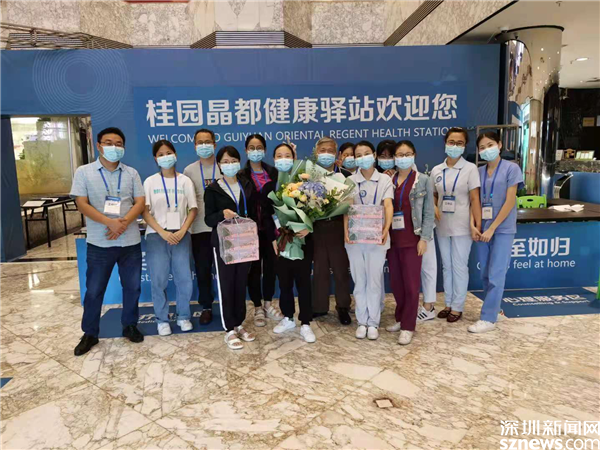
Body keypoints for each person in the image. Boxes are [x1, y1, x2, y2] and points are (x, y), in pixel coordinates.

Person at [70, 127, 145, 356]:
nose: (114, 147)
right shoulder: (84, 172)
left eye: (119, 143)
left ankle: (130, 325)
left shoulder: (131, 173)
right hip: (99, 242)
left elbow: (140, 202)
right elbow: (81, 203)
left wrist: (123, 223)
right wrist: (109, 222)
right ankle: (90, 333)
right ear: (99, 145)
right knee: (94, 290)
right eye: (109, 143)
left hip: (129, 241)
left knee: (132, 287)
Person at [204, 146, 262, 349]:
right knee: (226, 284)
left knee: (240, 283)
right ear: (219, 165)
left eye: (233, 160)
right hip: (224, 243)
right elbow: (208, 219)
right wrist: (222, 214)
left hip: (244, 241)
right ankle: (228, 329)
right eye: (225, 162)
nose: (230, 165)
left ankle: (238, 324)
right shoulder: (212, 189)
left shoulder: (246, 185)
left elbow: (254, 212)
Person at [468, 131, 523, 334]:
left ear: (499, 145)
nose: (486, 150)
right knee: (485, 273)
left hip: (502, 229)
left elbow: (510, 201)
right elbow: (473, 200)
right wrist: (473, 225)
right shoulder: (478, 171)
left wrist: (492, 228)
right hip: (482, 229)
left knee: (496, 273)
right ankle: (495, 308)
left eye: (490, 145)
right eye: (482, 147)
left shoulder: (511, 168)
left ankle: (488, 318)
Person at [142, 140, 198, 336]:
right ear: (155, 158)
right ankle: (162, 320)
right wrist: (162, 232)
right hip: (157, 235)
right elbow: (145, 211)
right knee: (158, 280)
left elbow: (193, 209)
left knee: (184, 279)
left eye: (168, 153)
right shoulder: (150, 182)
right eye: (161, 154)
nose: (165, 157)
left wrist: (183, 230)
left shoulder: (185, 181)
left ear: (175, 155)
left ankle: (183, 316)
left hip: (181, 234)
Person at [379, 139, 438, 324]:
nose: (403, 158)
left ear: (414, 156)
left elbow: (428, 212)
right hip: (393, 238)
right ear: (394, 157)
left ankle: (408, 326)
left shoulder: (423, 180)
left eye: (407, 154)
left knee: (412, 284)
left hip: (413, 238)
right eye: (400, 155)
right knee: (397, 283)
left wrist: (424, 238)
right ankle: (401, 319)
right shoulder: (388, 180)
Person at [429, 128, 481, 323]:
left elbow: (475, 199)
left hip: (462, 225)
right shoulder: (437, 170)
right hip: (442, 224)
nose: (454, 146)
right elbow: (434, 194)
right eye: (451, 142)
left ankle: (458, 306)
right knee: (447, 266)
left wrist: (476, 224)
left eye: (459, 143)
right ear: (445, 143)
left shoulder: (470, 169)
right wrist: (434, 205)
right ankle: (448, 303)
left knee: (459, 266)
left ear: (465, 146)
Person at [344, 141, 393, 340]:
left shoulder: (384, 180)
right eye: (358, 155)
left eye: (366, 153)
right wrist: (346, 231)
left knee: (374, 281)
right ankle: (361, 321)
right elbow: (347, 208)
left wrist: (385, 229)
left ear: (373, 155)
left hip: (377, 238)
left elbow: (388, 206)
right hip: (355, 239)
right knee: (359, 281)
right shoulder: (350, 181)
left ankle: (373, 322)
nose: (363, 157)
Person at [271, 143, 317, 343]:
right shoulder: (270, 184)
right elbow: (267, 215)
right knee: (284, 283)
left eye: (287, 155)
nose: (283, 159)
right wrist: (272, 238)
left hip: (302, 240)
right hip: (281, 241)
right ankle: (288, 317)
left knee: (304, 283)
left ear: (294, 157)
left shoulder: (306, 183)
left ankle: (306, 322)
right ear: (274, 159)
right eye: (279, 156)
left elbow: (317, 209)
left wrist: (309, 227)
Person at [242, 134, 284, 327]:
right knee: (253, 269)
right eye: (251, 147)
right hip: (249, 231)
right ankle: (257, 306)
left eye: (259, 147)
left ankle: (268, 302)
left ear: (265, 150)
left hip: (271, 229)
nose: (255, 151)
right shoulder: (241, 175)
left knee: (271, 267)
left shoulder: (274, 172)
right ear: (246, 151)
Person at [312, 136, 352, 325]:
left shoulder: (346, 175)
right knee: (319, 269)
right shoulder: (309, 175)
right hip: (317, 228)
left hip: (338, 226)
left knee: (341, 270)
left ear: (336, 154)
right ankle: (319, 307)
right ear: (316, 153)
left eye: (330, 151)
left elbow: (351, 203)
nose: (326, 154)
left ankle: (343, 307)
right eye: (323, 151)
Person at [183, 129, 222, 325]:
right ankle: (206, 306)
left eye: (208, 142)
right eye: (200, 142)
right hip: (199, 229)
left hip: (224, 228)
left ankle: (227, 305)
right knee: (203, 270)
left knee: (225, 271)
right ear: (195, 146)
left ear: (214, 144)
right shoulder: (189, 171)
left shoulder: (225, 166)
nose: (204, 145)